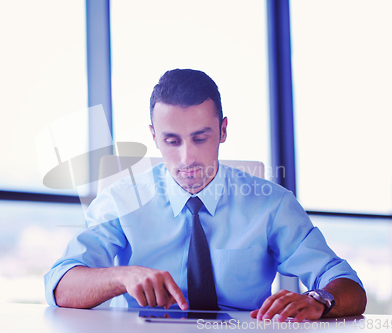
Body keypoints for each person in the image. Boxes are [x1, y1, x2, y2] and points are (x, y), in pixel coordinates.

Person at [44, 69, 366, 322]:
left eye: (200, 138)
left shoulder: (271, 204)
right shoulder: (123, 199)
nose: (188, 158)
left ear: (223, 130)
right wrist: (122, 276)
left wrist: (319, 300)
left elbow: (348, 286)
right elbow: (60, 285)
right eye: (172, 141)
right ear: (154, 137)